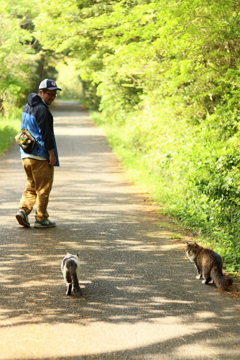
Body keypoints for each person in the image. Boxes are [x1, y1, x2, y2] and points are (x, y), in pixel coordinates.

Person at [16, 79, 61, 228]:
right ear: (41, 92)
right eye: (50, 94)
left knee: (32, 185)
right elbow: (46, 135)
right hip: (40, 156)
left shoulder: (26, 107)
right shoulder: (43, 111)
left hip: (26, 154)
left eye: (54, 94)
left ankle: (23, 210)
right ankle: (41, 218)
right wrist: (51, 155)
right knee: (43, 189)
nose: (52, 97)